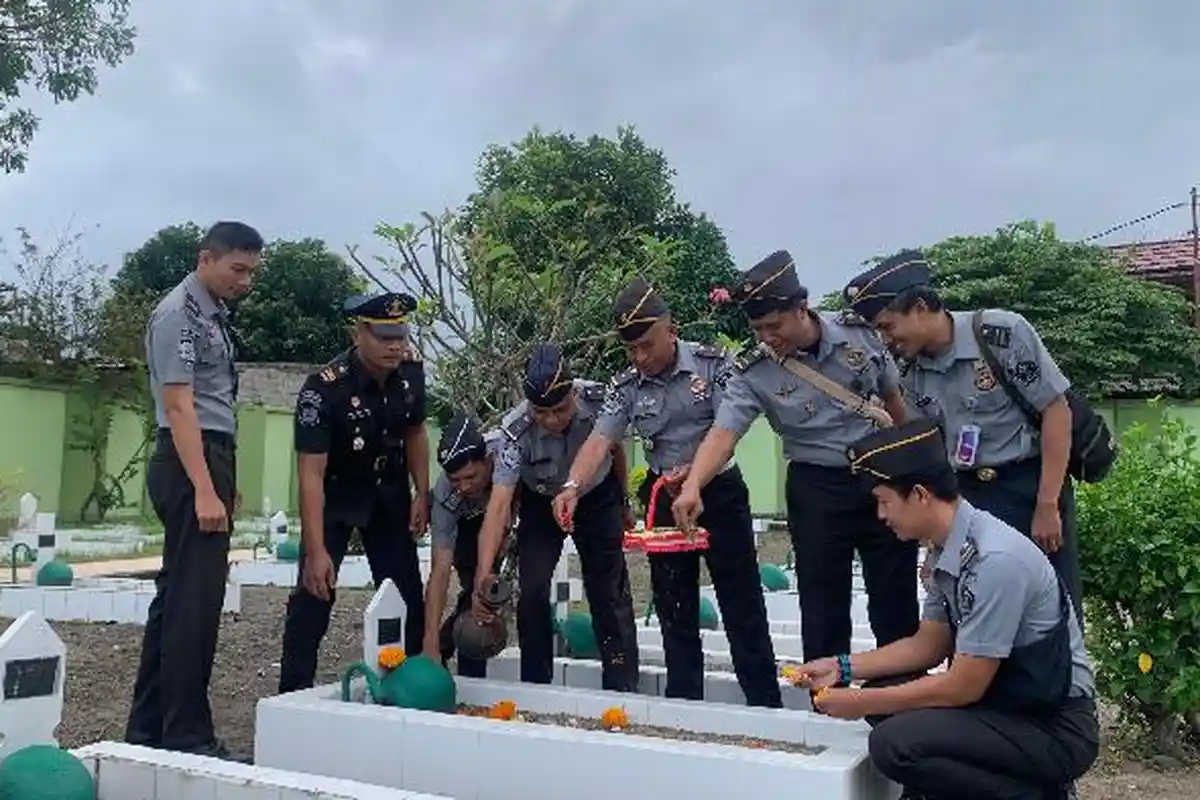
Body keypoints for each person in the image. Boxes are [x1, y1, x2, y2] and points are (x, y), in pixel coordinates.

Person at [791, 418, 1098, 800]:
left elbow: (962, 687)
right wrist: (841, 667)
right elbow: (929, 646)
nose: (881, 516)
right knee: (886, 695)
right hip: (1007, 704)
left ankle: (1042, 794)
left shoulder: (995, 560)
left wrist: (857, 702)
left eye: (884, 502)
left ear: (920, 494)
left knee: (894, 744)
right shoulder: (946, 548)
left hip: (1053, 725)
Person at [671, 249, 919, 665]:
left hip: (882, 477)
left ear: (802, 308)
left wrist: (919, 472)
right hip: (816, 487)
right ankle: (826, 705)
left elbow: (896, 406)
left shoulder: (860, 333)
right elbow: (723, 433)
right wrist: (694, 484)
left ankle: (904, 702)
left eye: (774, 325)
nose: (766, 337)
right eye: (757, 328)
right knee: (823, 606)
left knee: (894, 599)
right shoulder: (754, 372)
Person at [554, 276, 781, 707]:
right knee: (674, 606)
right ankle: (684, 704)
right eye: (631, 350)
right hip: (663, 504)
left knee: (742, 602)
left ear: (671, 330)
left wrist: (695, 474)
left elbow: (726, 429)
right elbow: (601, 440)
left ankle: (765, 702)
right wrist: (571, 486)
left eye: (648, 346)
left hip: (719, 496)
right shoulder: (625, 387)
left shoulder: (713, 365)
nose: (640, 358)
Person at [841, 251, 1084, 625]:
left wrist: (1048, 504)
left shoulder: (1001, 334)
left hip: (1028, 488)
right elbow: (932, 454)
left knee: (1051, 611)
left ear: (920, 307)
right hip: (967, 498)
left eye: (888, 327)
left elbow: (1056, 411)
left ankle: (1065, 686)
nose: (885, 340)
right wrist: (937, 545)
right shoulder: (909, 372)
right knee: (971, 613)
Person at [125, 221, 264, 758]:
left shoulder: (209, 314)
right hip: (190, 460)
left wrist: (221, 482)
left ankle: (149, 730)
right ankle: (186, 736)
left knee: (176, 599)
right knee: (195, 605)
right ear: (207, 258)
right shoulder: (179, 314)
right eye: (238, 269)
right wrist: (205, 487)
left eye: (252, 272)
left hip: (205, 457)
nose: (245, 281)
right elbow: (180, 405)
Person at [278, 292, 431, 694]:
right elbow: (310, 474)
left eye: (399, 334)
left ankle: (409, 688)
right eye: (383, 336)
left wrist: (423, 492)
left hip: (389, 497)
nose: (395, 344)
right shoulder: (324, 389)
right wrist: (314, 549)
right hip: (337, 497)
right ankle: (292, 695)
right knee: (313, 598)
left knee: (406, 598)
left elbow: (415, 432)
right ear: (357, 333)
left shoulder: (411, 373)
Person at [474, 343, 640, 691]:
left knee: (607, 589)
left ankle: (622, 681)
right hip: (541, 502)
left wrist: (623, 503)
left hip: (596, 496)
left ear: (573, 392)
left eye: (560, 409)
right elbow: (500, 503)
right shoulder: (514, 430)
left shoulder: (597, 400)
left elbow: (615, 451)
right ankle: (536, 683)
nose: (551, 420)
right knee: (532, 590)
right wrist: (483, 574)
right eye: (540, 412)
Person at [422, 411, 507, 677]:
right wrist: (430, 643)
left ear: (487, 461)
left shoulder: (508, 456)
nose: (463, 487)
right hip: (469, 524)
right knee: (474, 590)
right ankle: (463, 661)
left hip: (512, 510)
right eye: (455, 479)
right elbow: (440, 570)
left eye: (471, 477)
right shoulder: (446, 495)